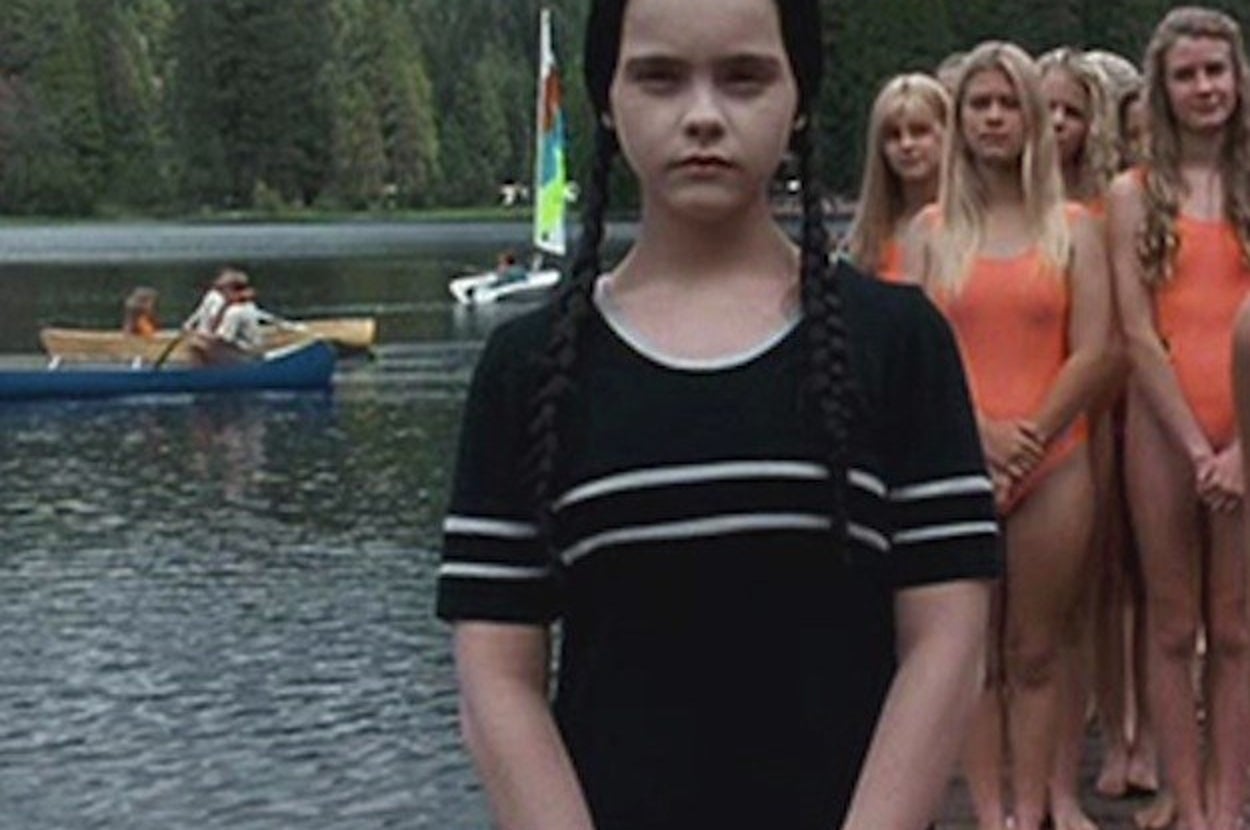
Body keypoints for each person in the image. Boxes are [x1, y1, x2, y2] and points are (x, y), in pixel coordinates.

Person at [436, 1, 1001, 828]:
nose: (702, 115)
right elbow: (497, 679)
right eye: (659, 78)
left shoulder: (898, 342)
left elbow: (948, 640)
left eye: (744, 78)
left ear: (798, 98)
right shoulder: (529, 369)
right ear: (607, 99)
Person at [904, 40, 1113, 830]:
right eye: (979, 105)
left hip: (1056, 460)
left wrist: (1031, 437)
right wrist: (980, 434)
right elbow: (916, 355)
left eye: (1007, 104)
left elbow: (1097, 349)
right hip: (957, 460)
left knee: (1036, 650)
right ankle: (994, 814)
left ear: (1031, 117)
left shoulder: (1075, 229)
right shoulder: (929, 232)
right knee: (971, 654)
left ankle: (1034, 805)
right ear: (961, 119)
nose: (994, 118)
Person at [1108, 8, 1250, 830]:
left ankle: (1229, 804)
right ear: (1162, 89)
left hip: (1245, 427)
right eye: (1187, 75)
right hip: (1165, 430)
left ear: (1239, 78)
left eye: (1216, 71)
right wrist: (1198, 448)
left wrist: (1239, 451)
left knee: (1234, 628)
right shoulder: (1133, 196)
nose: (1204, 88)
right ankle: (1188, 803)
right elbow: (1134, 330)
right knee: (1171, 625)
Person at [844, 72, 949, 282]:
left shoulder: (977, 228)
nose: (906, 145)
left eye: (919, 131)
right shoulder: (866, 242)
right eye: (893, 135)